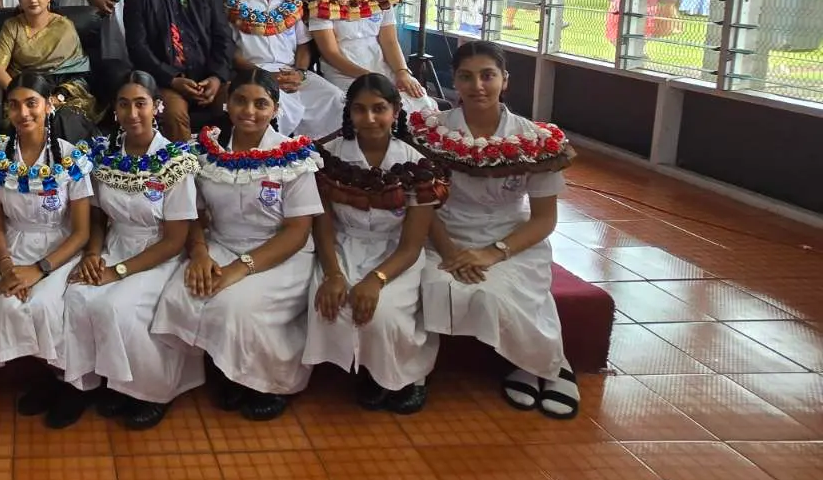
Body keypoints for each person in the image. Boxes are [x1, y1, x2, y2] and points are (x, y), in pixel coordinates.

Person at [415, 41, 580, 419]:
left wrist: (494, 252)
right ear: (454, 82)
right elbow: (422, 203)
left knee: (501, 291)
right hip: (442, 234)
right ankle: (416, 371)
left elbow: (543, 219)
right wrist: (452, 252)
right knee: (432, 284)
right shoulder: (432, 133)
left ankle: (546, 365)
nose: (478, 86)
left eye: (488, 75)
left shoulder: (534, 140)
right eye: (466, 77)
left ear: (505, 80)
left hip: (509, 238)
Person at [151, 68, 321, 421]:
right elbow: (192, 212)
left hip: (279, 252)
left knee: (237, 306)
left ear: (275, 109)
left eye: (261, 104)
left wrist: (236, 270)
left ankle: (271, 382)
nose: (249, 111)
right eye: (241, 100)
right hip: (220, 244)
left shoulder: (294, 156)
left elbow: (296, 231)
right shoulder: (206, 151)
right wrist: (198, 253)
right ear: (226, 103)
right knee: (180, 294)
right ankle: (223, 370)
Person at [62, 72, 204, 429]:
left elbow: (175, 239)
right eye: (123, 104)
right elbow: (97, 217)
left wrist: (118, 272)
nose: (132, 113)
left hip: (159, 253)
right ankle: (103, 382)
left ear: (156, 107)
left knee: (118, 307)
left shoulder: (176, 160)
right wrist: (94, 256)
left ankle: (153, 391)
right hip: (115, 245)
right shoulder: (105, 155)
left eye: (141, 103)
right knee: (78, 296)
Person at [304, 74, 444, 414]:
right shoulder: (328, 156)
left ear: (396, 111)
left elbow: (412, 245)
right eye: (359, 109)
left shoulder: (416, 164)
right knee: (330, 302)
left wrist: (376, 279)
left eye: (379, 109)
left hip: (396, 253)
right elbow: (322, 224)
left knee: (384, 314)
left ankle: (408, 376)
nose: (369, 119)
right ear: (348, 112)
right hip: (342, 245)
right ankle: (368, 369)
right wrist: (334, 274)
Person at [0, 74, 93, 425]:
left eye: (32, 103)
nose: (23, 112)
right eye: (14, 105)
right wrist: (6, 265)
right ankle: (50, 376)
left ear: (48, 105)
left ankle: (77, 386)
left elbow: (81, 232)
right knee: (9, 303)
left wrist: (40, 269)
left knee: (46, 304)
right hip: (14, 245)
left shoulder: (71, 158)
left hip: (59, 248)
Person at [225, 0, 343, 140]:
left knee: (335, 98)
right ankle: (283, 159)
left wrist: (299, 72)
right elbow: (230, 52)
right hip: (253, 75)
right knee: (282, 109)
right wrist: (264, 76)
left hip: (291, 72)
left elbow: (304, 45)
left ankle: (321, 158)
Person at [123, 0, 234, 141]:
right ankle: (185, 170)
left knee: (240, 102)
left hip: (209, 77)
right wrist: (172, 80)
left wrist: (217, 77)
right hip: (166, 81)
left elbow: (224, 38)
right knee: (173, 114)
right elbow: (138, 48)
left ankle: (232, 164)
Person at [309, 0, 432, 114]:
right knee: (374, 109)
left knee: (420, 104)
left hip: (382, 68)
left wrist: (401, 72)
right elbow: (330, 53)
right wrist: (368, 77)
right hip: (344, 74)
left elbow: (389, 41)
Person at [0, 0, 90, 89]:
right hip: (24, 91)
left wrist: (57, 98)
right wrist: (20, 93)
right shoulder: (12, 26)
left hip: (62, 95)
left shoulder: (65, 27)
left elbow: (76, 73)